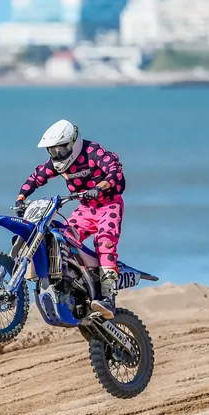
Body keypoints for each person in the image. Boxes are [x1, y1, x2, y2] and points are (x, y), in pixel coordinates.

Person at [15, 119, 126, 319]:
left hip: (109, 205)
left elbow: (115, 171)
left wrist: (98, 188)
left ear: (73, 143)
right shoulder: (57, 164)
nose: (56, 155)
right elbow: (37, 176)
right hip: (85, 209)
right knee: (62, 237)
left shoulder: (94, 153)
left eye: (60, 150)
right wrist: (21, 198)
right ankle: (68, 281)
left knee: (105, 240)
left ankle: (108, 296)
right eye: (52, 151)